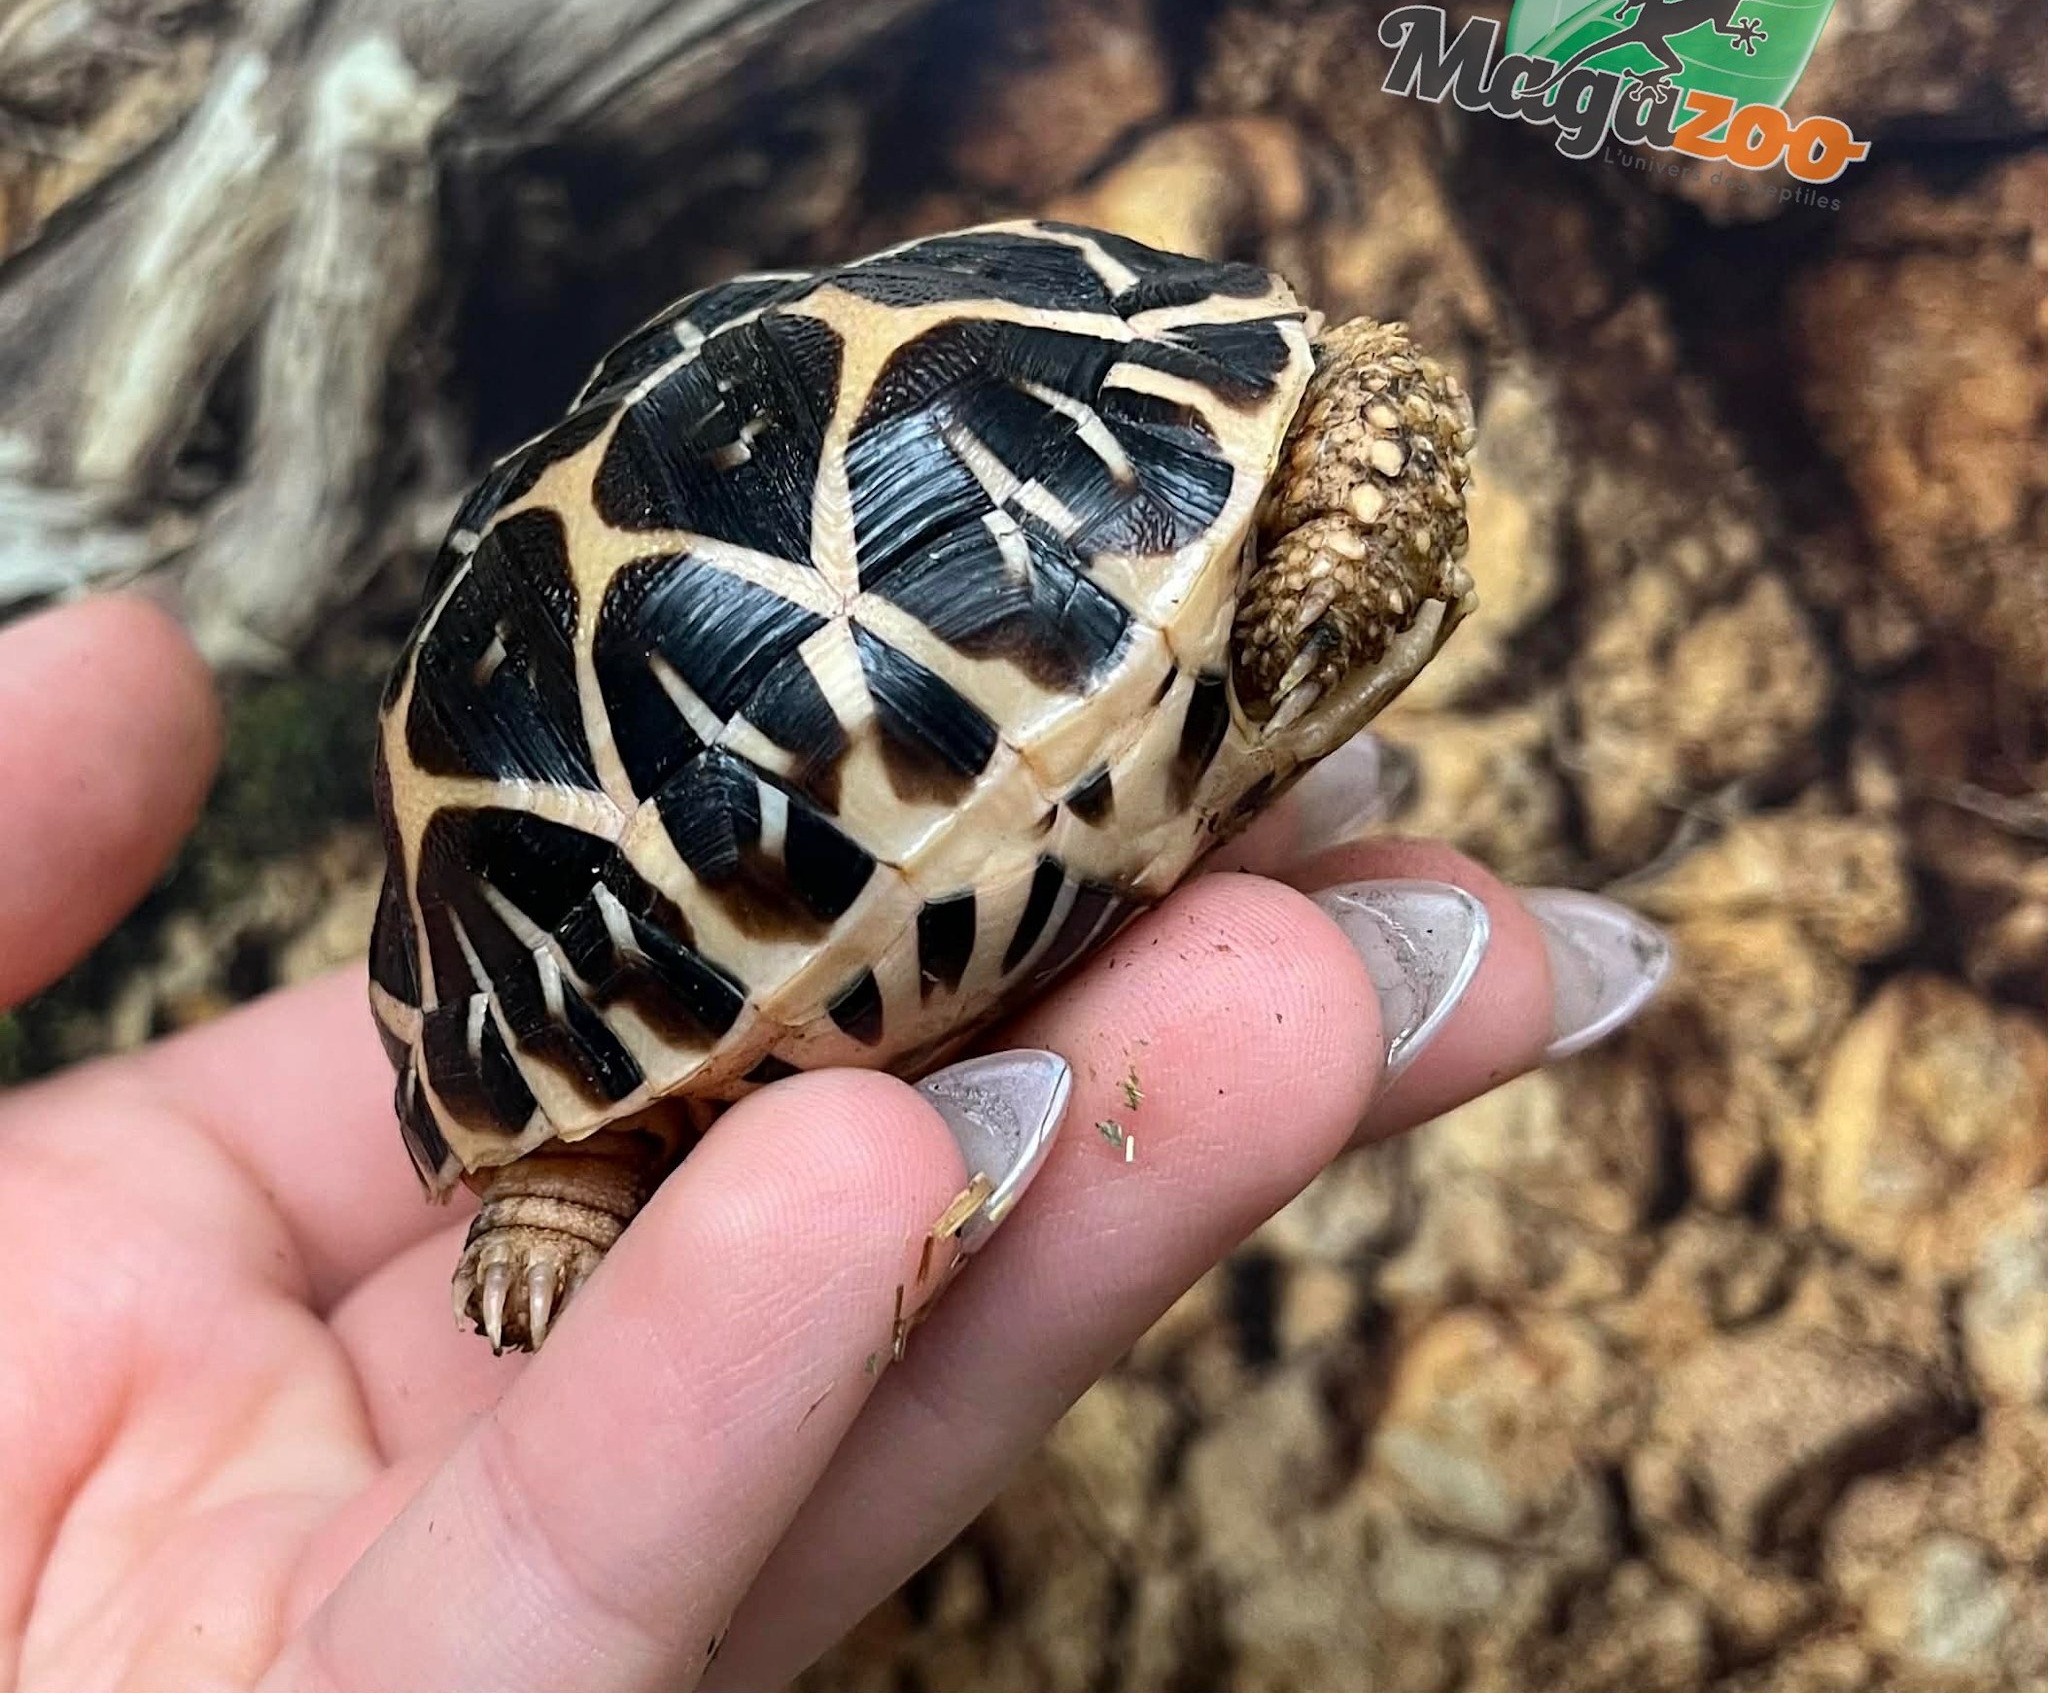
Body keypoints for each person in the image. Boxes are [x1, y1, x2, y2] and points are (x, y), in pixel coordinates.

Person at [0, 595, 1668, 1691]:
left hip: (767, 821)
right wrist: (548, 1137)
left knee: (1216, 1027)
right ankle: (572, 1151)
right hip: (740, 809)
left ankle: (576, 1135)